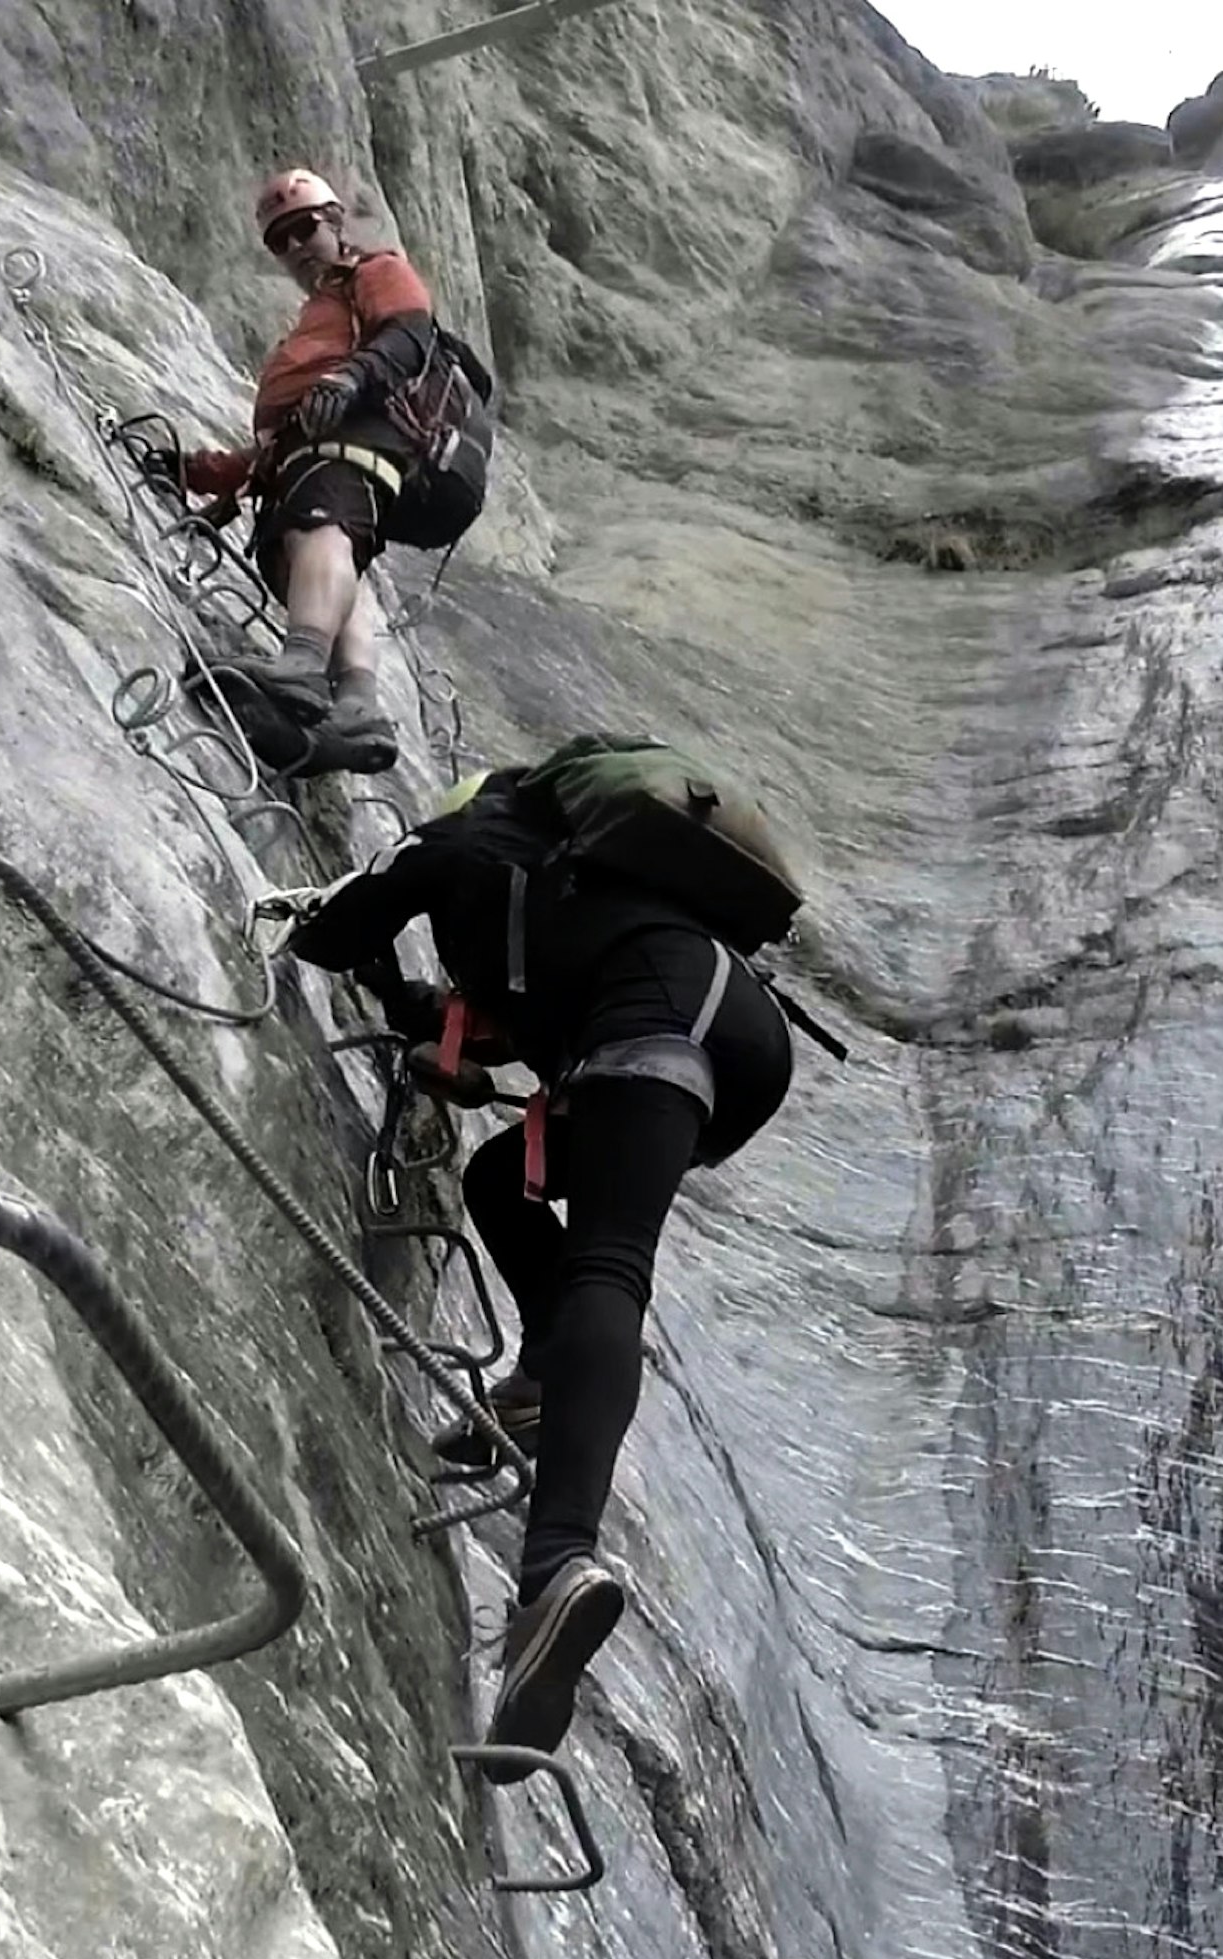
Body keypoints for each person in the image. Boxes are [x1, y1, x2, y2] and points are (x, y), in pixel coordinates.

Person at [276, 766, 797, 1771]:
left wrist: (340, 932)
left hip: (656, 1026)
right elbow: (490, 1021)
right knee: (499, 1180)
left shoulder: (458, 845)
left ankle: (555, 1568)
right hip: (735, 1042)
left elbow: (335, 928)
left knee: (609, 1259)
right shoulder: (573, 894)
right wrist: (420, 1011)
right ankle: (542, 1380)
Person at [166, 168, 450, 770]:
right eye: (280, 240)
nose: (295, 247)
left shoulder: (375, 272)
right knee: (333, 553)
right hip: (313, 451)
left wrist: (351, 377)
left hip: (350, 438)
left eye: (304, 229)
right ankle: (356, 707)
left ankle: (300, 664)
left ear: (336, 221)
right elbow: (270, 456)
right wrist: (197, 474)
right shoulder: (324, 310)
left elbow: (411, 333)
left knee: (320, 530)